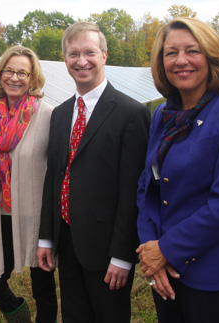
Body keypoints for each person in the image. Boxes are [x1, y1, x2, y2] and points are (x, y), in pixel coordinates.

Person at [136, 17, 219, 323]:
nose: (181, 61)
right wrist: (151, 253)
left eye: (192, 51)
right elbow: (147, 186)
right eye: (171, 53)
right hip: (164, 271)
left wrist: (166, 249)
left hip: (214, 277)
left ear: (210, 56)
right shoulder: (163, 114)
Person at [36, 22, 150, 322]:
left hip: (106, 247)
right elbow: (54, 178)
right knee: (74, 315)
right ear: (65, 59)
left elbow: (133, 191)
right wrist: (46, 238)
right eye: (73, 54)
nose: (81, 61)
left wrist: (123, 255)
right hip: (67, 240)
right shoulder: (60, 113)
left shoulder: (131, 114)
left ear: (104, 56)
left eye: (90, 52)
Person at [0, 45, 58, 323]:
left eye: (22, 72)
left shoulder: (48, 116)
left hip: (37, 217)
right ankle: (21, 318)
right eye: (8, 71)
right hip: (2, 215)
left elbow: (58, 170)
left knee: (44, 290)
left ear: (33, 78)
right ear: (0, 74)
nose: (14, 78)